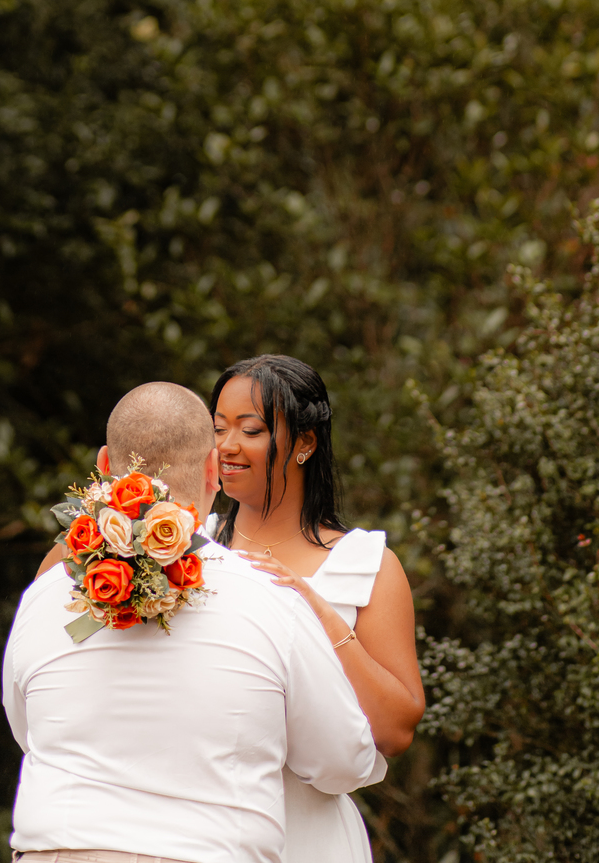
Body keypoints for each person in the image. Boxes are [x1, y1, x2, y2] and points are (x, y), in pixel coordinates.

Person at [3, 380, 385, 863]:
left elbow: (26, 728)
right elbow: (342, 764)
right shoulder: (273, 601)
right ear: (213, 469)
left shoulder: (44, 598)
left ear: (102, 466)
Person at [211, 354, 425, 863]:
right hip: (200, 828)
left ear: (305, 442)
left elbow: (396, 730)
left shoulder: (366, 563)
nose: (227, 447)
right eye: (218, 429)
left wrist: (317, 614)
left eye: (252, 429)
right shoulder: (187, 546)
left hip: (309, 837)